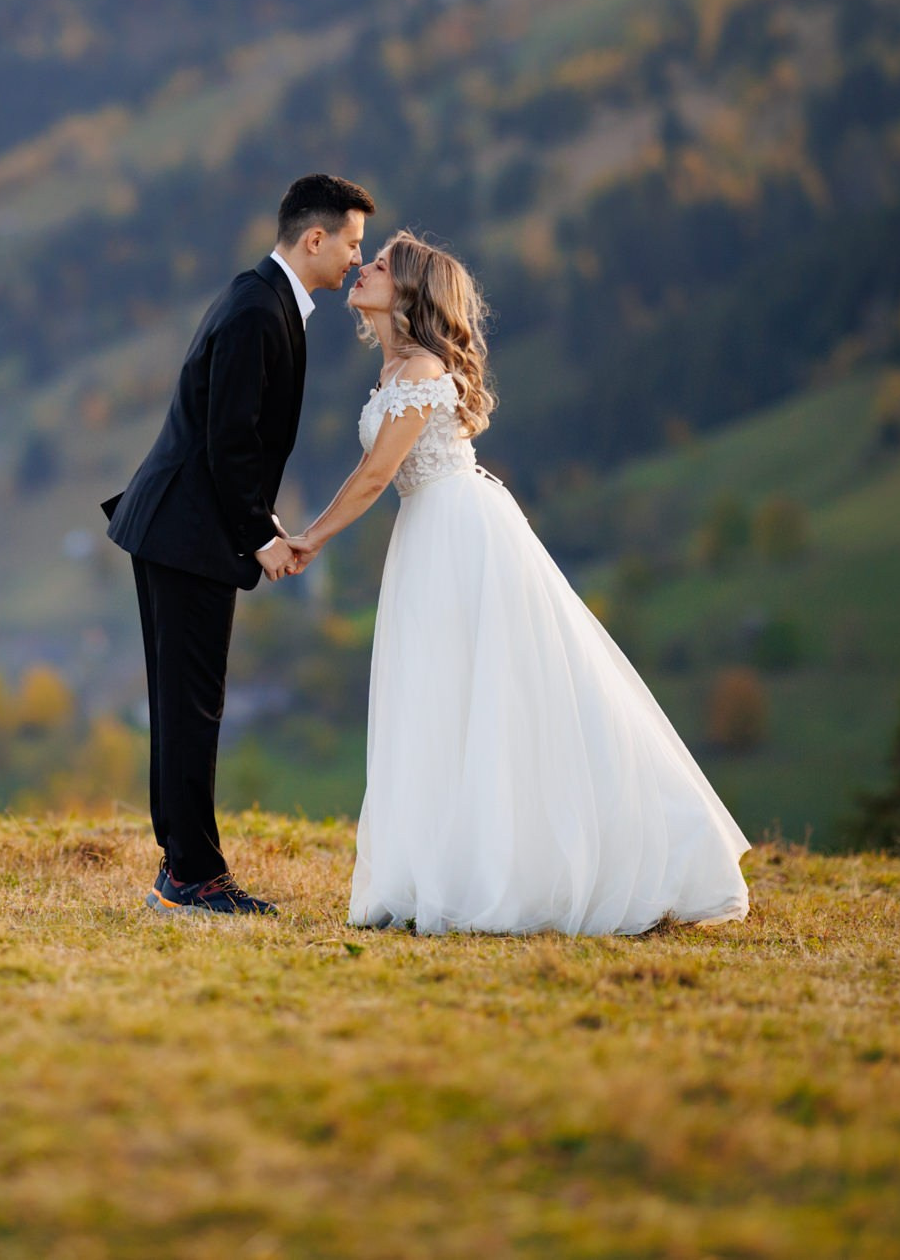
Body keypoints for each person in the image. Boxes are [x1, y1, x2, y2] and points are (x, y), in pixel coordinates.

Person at [285, 231, 750, 935]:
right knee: (439, 698)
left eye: (378, 265)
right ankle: (440, 869)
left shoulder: (419, 372)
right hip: (428, 534)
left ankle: (520, 870)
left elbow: (376, 474)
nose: (361, 268)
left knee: (486, 695)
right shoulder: (395, 370)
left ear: (408, 291)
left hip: (459, 537)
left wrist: (311, 536)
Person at [104, 173, 373, 916]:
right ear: (313, 238)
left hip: (178, 524)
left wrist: (266, 525)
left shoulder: (262, 297)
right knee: (193, 706)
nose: (358, 257)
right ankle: (193, 875)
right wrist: (261, 537)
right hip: (186, 530)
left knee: (182, 704)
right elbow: (227, 444)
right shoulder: (260, 308)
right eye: (352, 243)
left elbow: (238, 444)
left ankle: (180, 867)